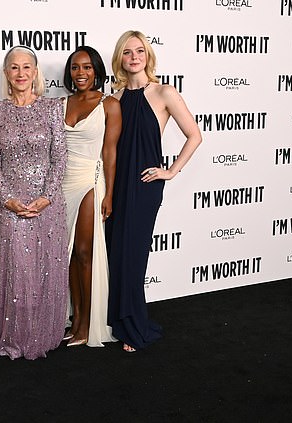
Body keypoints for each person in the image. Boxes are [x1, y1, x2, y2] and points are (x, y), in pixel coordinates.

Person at [106, 30, 202, 352]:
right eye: (127, 52)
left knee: (133, 255)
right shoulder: (116, 99)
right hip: (117, 185)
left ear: (148, 56)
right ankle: (120, 322)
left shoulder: (163, 93)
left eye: (140, 52)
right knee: (117, 254)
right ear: (120, 58)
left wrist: (171, 171)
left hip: (145, 186)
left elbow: (194, 135)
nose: (134, 57)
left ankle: (134, 327)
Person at [0, 45, 69, 360]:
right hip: (10, 206)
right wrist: (7, 199)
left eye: (27, 67)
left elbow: (59, 157)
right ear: (7, 73)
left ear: (35, 72)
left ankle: (44, 333)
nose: (21, 73)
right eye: (14, 68)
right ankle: (15, 336)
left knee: (48, 266)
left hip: (48, 204)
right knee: (17, 270)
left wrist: (46, 197)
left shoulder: (51, 108)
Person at [61, 46, 122, 347]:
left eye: (86, 67)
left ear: (97, 70)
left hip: (90, 180)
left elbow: (110, 153)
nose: (80, 73)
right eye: (75, 67)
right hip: (61, 184)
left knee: (84, 253)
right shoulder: (60, 104)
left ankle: (86, 325)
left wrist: (109, 193)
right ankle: (75, 319)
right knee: (70, 255)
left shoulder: (109, 105)